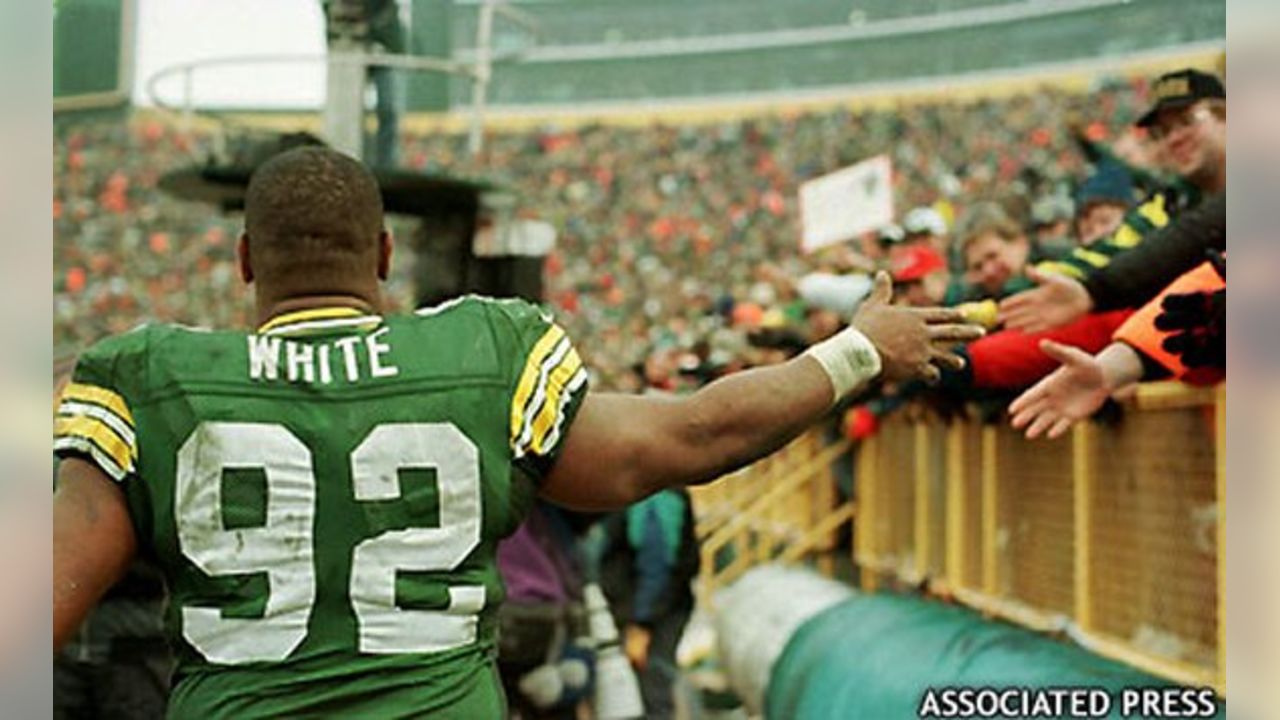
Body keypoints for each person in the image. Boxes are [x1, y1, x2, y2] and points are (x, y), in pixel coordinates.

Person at [52, 146, 983, 716]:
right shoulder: (485, 351)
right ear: (383, 256)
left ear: (247, 259)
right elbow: (688, 438)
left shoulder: (150, 376)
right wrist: (855, 353)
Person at [1000, 69, 1227, 333]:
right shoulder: (1168, 204)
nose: (1173, 138)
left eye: (1187, 121)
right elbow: (1104, 255)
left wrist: (1093, 292)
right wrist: (1004, 297)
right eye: (1162, 132)